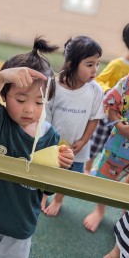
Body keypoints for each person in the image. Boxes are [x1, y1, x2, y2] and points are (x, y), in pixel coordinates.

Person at [0, 36, 74, 258]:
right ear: (4, 96)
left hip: (19, 222)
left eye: (39, 102)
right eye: (20, 100)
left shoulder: (50, 137)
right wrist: (1, 77)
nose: (29, 109)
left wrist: (61, 165)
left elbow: (47, 187)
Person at [41, 35, 105, 216]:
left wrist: (84, 141)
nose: (95, 70)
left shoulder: (95, 90)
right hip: (51, 144)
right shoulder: (53, 84)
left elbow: (94, 118)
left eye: (97, 64)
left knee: (68, 178)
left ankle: (58, 200)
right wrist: (50, 142)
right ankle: (44, 194)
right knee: (48, 172)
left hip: (77, 148)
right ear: (70, 65)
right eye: (89, 64)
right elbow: (46, 116)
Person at [84, 73, 129, 233]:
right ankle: (100, 210)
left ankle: (125, 218)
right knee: (105, 179)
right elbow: (111, 105)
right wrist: (119, 124)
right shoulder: (126, 82)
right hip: (118, 148)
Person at [84, 23, 129, 175]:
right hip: (108, 112)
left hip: (125, 118)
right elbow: (100, 80)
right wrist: (108, 90)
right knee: (97, 142)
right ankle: (87, 168)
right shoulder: (118, 65)